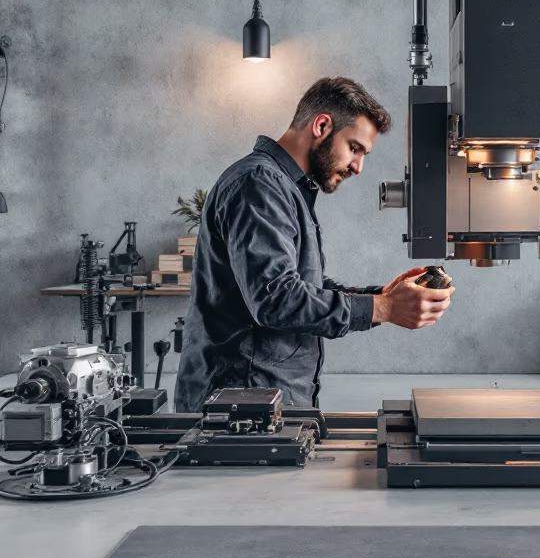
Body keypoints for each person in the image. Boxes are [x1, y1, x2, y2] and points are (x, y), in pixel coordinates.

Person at [173, 76, 455, 412]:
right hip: (238, 413)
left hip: (262, 408)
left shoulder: (286, 189)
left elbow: (306, 288)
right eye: (355, 148)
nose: (359, 167)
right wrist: (385, 308)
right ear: (321, 125)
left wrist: (383, 297)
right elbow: (276, 299)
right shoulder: (259, 184)